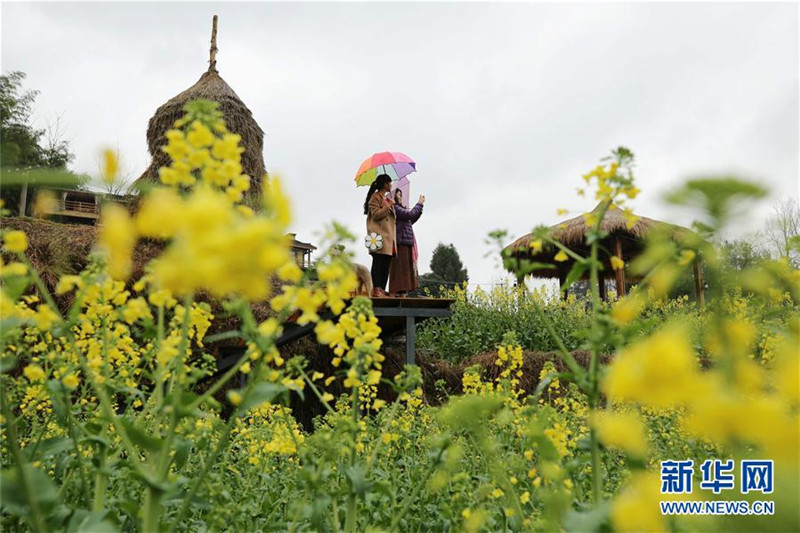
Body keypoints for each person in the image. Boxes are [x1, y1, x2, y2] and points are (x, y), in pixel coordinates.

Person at [364, 174, 396, 297]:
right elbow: (376, 214)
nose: (391, 185)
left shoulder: (387, 199)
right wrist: (389, 206)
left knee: (386, 263)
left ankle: (382, 288)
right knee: (378, 262)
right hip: (378, 236)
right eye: (390, 183)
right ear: (385, 184)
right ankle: (376, 288)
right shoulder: (375, 197)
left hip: (388, 236)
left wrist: (391, 204)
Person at [389, 189, 425, 297]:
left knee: (405, 269)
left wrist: (419, 210)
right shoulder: (396, 208)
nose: (400, 197)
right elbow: (410, 215)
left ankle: (402, 293)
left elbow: (410, 220)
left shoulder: (400, 209)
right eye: (398, 195)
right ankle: (398, 293)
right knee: (401, 268)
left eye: (401, 195)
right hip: (401, 242)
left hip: (405, 241)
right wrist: (419, 204)